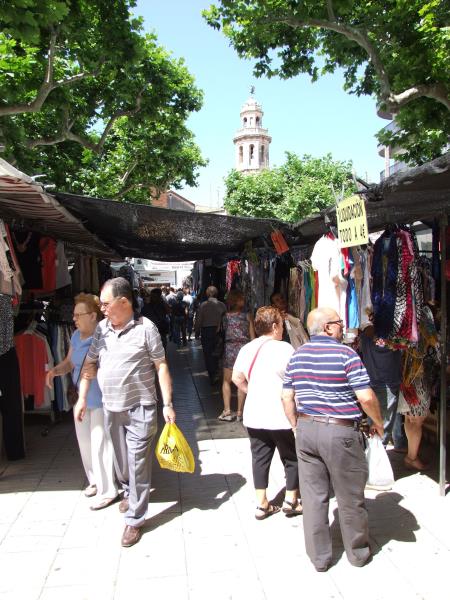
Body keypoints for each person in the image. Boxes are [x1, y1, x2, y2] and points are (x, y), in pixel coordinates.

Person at [74, 277, 176, 548]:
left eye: (106, 303)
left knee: (138, 462)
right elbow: (91, 363)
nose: (103, 308)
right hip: (111, 408)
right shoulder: (102, 330)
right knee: (122, 463)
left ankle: (135, 519)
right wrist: (82, 396)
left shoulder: (146, 329)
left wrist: (167, 403)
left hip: (141, 407)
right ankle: (129, 492)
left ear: (124, 302)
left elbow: (161, 365)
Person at [282, 307, 383, 572]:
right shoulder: (346, 354)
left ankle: (320, 558)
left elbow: (286, 397)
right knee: (349, 495)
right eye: (339, 323)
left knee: (314, 497)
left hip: (306, 430)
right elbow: (366, 397)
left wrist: (295, 426)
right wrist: (378, 422)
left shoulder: (298, 355)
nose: (343, 327)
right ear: (328, 327)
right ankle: (358, 552)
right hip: (340, 433)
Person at [46, 293, 118, 510]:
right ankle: (95, 480)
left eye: (79, 315)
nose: (74, 319)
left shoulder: (104, 337)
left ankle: (109, 490)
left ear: (93, 316)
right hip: (82, 399)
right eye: (74, 315)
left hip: (102, 399)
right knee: (85, 444)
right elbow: (69, 362)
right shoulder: (76, 335)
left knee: (99, 444)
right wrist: (54, 371)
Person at [232, 306, 302, 520]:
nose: (283, 329)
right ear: (274, 326)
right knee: (291, 457)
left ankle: (262, 504)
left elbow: (237, 378)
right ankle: (291, 500)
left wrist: (253, 392)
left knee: (259, 458)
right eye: (281, 324)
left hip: (254, 414)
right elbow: (296, 382)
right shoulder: (285, 349)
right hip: (281, 415)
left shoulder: (247, 348)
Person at [359, 320, 406, 450]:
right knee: (383, 426)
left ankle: (375, 456)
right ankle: (377, 461)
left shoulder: (365, 335)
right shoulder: (393, 336)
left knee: (374, 423)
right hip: (387, 384)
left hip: (372, 383)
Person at [218, 289, 255, 421]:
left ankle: (227, 410)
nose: (244, 300)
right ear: (237, 301)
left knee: (226, 380)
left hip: (230, 348)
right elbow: (252, 336)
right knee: (242, 380)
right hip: (244, 348)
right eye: (242, 298)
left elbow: (220, 331)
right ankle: (240, 412)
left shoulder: (225, 316)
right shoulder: (247, 316)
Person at [194, 286, 226, 384]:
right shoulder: (222, 305)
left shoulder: (203, 305)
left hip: (207, 332)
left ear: (207, 294)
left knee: (208, 354)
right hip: (219, 332)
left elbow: (199, 320)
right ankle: (216, 372)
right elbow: (226, 320)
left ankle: (213, 375)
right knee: (218, 352)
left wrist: (197, 331)